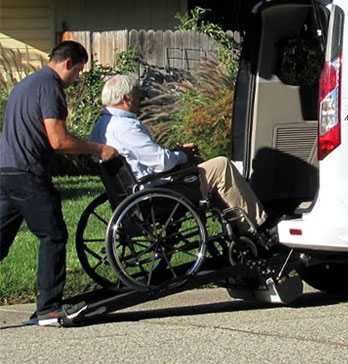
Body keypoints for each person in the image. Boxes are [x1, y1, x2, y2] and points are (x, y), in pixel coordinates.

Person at [0, 41, 119, 326]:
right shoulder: (50, 87)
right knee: (53, 235)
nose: (76, 79)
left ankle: (47, 306)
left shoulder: (24, 85)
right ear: (68, 63)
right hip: (28, 173)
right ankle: (49, 308)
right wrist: (98, 149)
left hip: (5, 171)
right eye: (78, 72)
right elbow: (59, 141)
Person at [90, 74, 267, 235]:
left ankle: (235, 222)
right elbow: (161, 162)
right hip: (156, 195)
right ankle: (257, 225)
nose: (140, 101)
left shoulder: (100, 127)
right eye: (137, 97)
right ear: (126, 99)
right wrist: (183, 155)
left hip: (132, 196)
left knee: (204, 170)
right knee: (221, 166)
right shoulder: (126, 127)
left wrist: (176, 153)